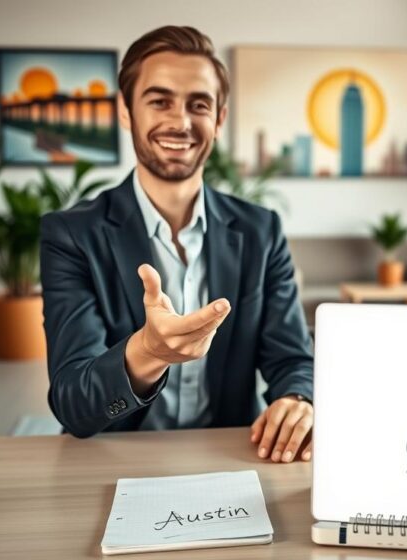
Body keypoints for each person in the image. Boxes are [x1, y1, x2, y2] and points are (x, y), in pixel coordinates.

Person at [40, 25, 314, 463]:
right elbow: (73, 404)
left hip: (232, 457)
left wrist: (297, 400)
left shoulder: (261, 230)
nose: (180, 122)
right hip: (112, 459)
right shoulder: (71, 235)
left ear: (219, 119)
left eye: (199, 104)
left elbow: (293, 358)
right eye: (160, 101)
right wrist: (147, 353)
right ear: (126, 110)